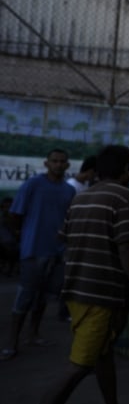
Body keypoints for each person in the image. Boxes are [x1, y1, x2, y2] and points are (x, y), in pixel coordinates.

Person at [40, 144, 129, 404]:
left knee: (103, 353)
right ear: (126, 169)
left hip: (75, 289)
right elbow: (125, 247)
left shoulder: (81, 198)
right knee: (80, 365)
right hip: (101, 294)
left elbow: (64, 238)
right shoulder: (124, 198)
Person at [0, 148, 76, 361]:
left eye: (62, 161)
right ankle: (11, 342)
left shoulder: (68, 191)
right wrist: (23, 237)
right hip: (33, 251)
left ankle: (33, 334)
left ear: (67, 165)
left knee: (43, 298)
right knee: (24, 297)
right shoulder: (33, 184)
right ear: (46, 163)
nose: (58, 165)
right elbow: (15, 214)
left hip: (57, 252)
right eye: (55, 161)